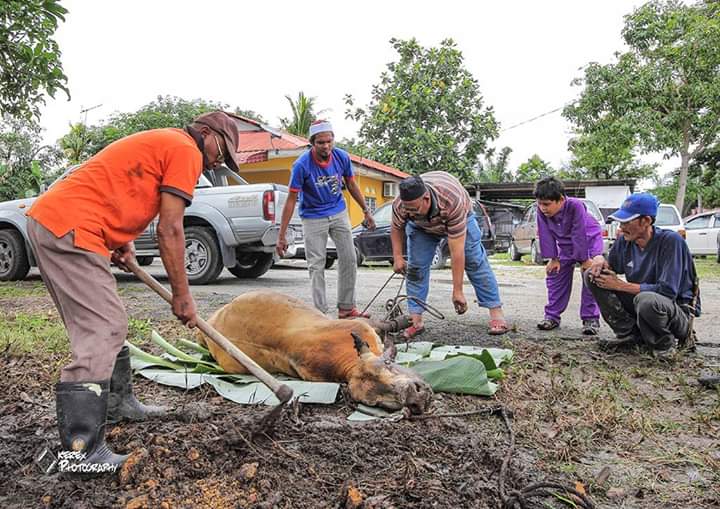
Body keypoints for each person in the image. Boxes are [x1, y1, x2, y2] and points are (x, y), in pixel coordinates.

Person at [26, 111, 241, 473]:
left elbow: (122, 189)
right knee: (104, 327)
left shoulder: (167, 143)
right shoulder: (186, 150)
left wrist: (121, 240)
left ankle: (117, 404)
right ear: (205, 133)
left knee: (105, 323)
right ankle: (81, 451)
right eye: (221, 149)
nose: (219, 160)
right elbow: (170, 229)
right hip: (71, 226)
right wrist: (182, 295)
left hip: (61, 221)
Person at [390, 172, 509, 338]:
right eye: (407, 209)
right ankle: (415, 321)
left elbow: (457, 252)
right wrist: (397, 258)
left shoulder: (451, 200)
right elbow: (396, 228)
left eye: (414, 209)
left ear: (426, 198)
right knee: (416, 269)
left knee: (474, 262)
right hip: (421, 229)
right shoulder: (401, 205)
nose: (410, 213)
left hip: (459, 217)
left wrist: (457, 291)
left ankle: (496, 313)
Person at [276, 120, 376, 318]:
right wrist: (282, 235)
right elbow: (291, 199)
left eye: (329, 141)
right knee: (316, 264)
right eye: (321, 142)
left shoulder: (341, 157)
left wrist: (366, 210)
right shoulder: (302, 165)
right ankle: (320, 314)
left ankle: (346, 308)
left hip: (338, 211)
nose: (326, 146)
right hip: (313, 216)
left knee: (349, 257)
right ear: (313, 143)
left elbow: (352, 184)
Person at [585, 193, 700, 359]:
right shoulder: (625, 241)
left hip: (676, 312)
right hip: (643, 304)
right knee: (593, 275)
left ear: (646, 221)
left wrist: (619, 285)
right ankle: (629, 336)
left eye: (626, 222)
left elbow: (667, 292)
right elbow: (611, 266)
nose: (621, 227)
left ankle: (664, 345)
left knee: (647, 299)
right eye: (620, 222)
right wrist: (599, 259)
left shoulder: (671, 241)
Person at [534, 177, 604, 335]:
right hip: (566, 245)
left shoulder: (575, 205)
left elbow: (579, 232)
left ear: (561, 200)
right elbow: (544, 233)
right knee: (554, 274)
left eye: (546, 204)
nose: (542, 208)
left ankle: (590, 318)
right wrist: (553, 258)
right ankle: (552, 316)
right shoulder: (541, 210)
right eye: (539, 203)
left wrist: (585, 260)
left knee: (591, 276)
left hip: (588, 240)